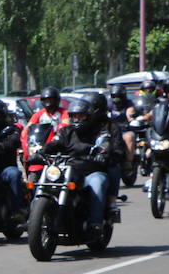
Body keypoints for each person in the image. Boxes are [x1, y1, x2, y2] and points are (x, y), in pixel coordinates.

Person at [40, 98, 122, 237]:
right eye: (74, 116)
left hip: (92, 171)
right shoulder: (66, 131)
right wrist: (40, 151)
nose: (77, 119)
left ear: (89, 116)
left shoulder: (99, 132)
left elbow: (105, 145)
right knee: (51, 180)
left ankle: (95, 223)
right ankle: (38, 216)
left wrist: (102, 153)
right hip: (70, 169)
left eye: (81, 116)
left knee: (99, 182)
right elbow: (55, 142)